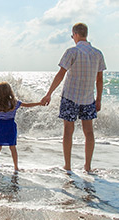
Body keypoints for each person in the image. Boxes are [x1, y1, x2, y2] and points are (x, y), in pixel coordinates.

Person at [41, 23, 106, 172]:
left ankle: (68, 166)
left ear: (75, 34)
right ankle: (87, 167)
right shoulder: (98, 53)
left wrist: (49, 93)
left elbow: (60, 74)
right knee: (89, 132)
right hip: (89, 98)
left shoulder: (72, 52)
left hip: (70, 97)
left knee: (68, 131)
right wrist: (99, 99)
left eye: (72, 36)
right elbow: (100, 79)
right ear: (86, 34)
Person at [0, 82, 42, 172]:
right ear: (10, 91)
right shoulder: (14, 103)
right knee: (12, 147)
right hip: (10, 126)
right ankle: (16, 167)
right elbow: (28, 105)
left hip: (0, 126)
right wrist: (39, 103)